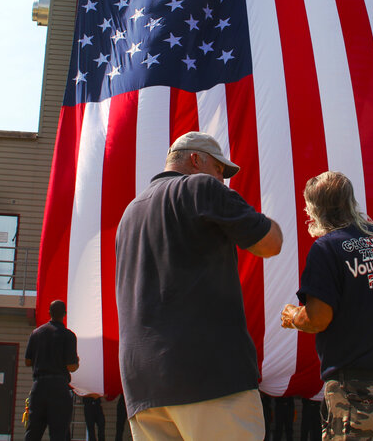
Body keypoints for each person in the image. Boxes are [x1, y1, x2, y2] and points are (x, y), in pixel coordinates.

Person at [115, 131, 283, 440]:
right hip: (209, 374)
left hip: (143, 385)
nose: (222, 180)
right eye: (220, 170)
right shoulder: (200, 187)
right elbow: (270, 244)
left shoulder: (130, 212)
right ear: (196, 160)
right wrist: (269, 223)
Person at [281, 171, 373, 440]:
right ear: (351, 202)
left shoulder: (326, 248)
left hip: (359, 390)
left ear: (313, 209)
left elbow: (318, 318)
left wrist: (293, 316)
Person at [24, 299, 78, 441]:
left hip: (39, 386)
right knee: (59, 433)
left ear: (49, 312)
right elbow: (71, 366)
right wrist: (77, 362)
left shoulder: (36, 333)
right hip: (59, 387)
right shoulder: (69, 336)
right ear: (65, 314)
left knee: (33, 431)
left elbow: (27, 361)